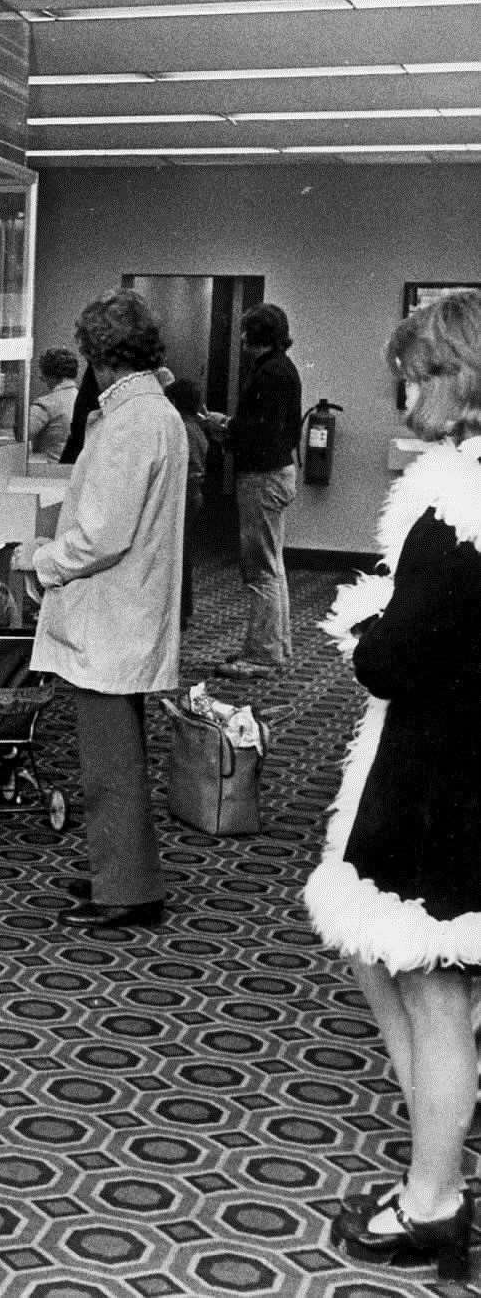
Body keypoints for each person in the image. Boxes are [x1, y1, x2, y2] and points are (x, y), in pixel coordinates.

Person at [305, 289, 481, 1282]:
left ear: (451, 376)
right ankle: (434, 1166)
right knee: (404, 972)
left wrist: (365, 628)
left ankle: (432, 1201)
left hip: (442, 773)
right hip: (459, 760)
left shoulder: (455, 498)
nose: (403, 393)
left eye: (413, 374)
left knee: (430, 990)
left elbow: (395, 657)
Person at [19, 289, 186, 934]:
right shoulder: (153, 413)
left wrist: (43, 561)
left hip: (112, 614)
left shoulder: (131, 422)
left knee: (109, 757)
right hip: (127, 610)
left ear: (96, 354)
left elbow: (99, 536)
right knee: (115, 752)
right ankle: (120, 868)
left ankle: (129, 887)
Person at [211, 303, 302, 679]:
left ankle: (263, 655)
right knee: (272, 566)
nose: (242, 337)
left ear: (255, 334)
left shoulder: (268, 374)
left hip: (262, 478)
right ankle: (274, 648)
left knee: (260, 570)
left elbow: (259, 432)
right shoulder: (283, 368)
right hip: (278, 472)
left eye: (246, 331)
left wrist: (226, 428)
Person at [166, 377, 211, 629]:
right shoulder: (196, 427)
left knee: (177, 554)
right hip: (194, 493)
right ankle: (184, 607)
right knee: (184, 552)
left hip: (183, 493)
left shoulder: (181, 428)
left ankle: (179, 611)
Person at [26, 347, 82, 462]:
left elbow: (21, 435)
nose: (41, 378)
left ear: (49, 374)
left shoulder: (46, 404)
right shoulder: (84, 401)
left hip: (51, 473)